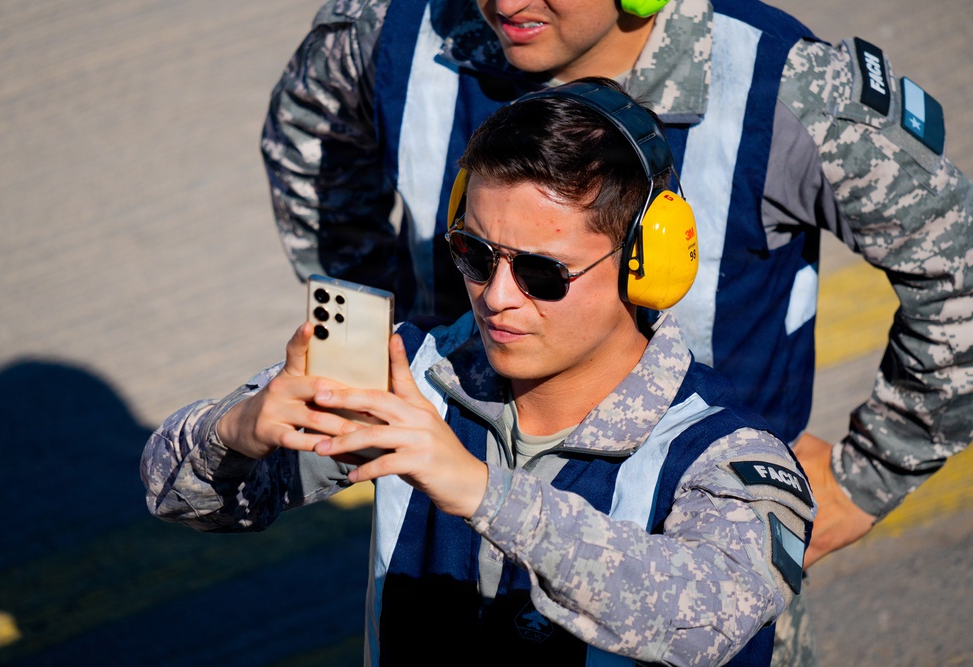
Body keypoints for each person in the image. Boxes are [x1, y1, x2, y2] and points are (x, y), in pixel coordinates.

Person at [261, 0, 972, 578]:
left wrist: (865, 477)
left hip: (680, 562)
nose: (505, 4)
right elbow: (309, 145)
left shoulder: (783, 88)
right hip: (441, 535)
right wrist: (373, 352)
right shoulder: (394, 34)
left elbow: (959, 269)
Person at [143, 80, 815, 665]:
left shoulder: (731, 456)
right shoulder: (410, 377)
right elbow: (176, 494)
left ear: (648, 266)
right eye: (475, 253)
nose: (496, 295)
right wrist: (237, 430)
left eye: (540, 272)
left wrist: (482, 491)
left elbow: (706, 621)